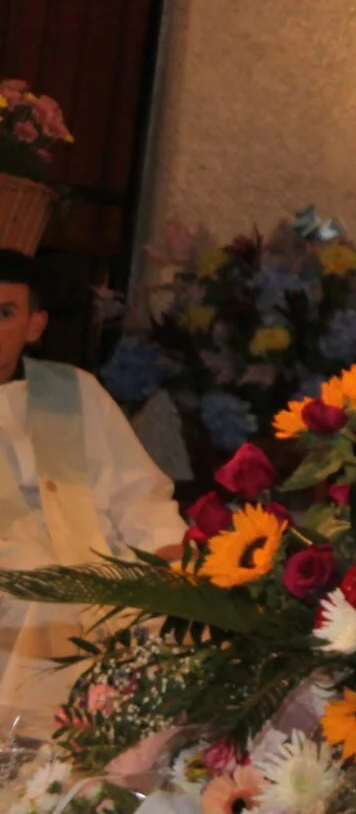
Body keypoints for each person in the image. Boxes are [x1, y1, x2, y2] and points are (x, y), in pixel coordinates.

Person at [0, 252, 183, 737]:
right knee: (47, 601)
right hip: (15, 582)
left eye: (4, 313)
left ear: (34, 325)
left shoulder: (75, 391)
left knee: (184, 604)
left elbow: (137, 491)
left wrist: (165, 545)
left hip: (105, 568)